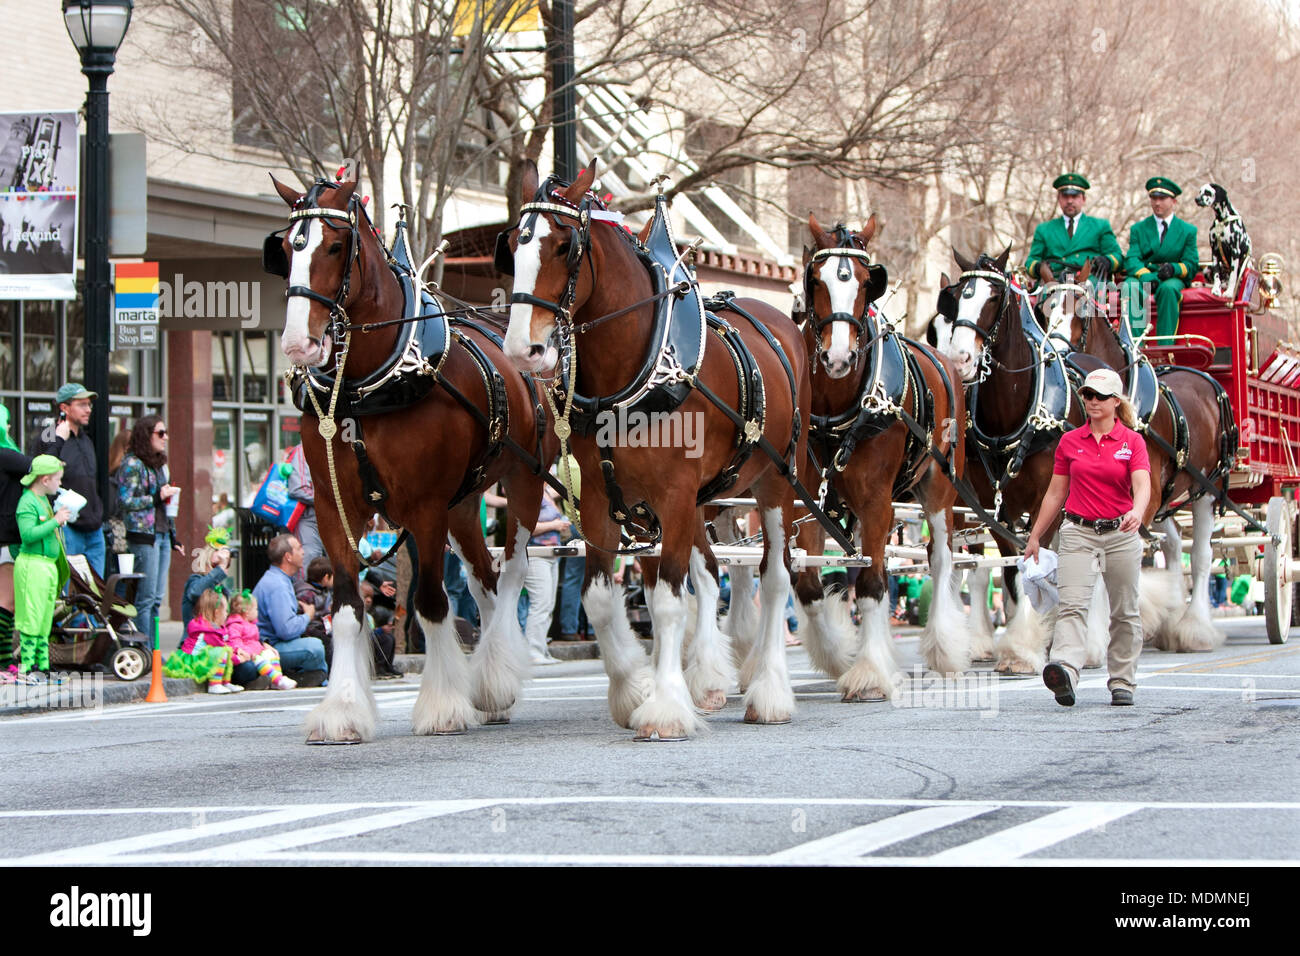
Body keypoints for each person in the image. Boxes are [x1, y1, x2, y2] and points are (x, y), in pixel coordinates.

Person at [1025, 367, 1152, 707]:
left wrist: (1137, 512)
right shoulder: (1070, 441)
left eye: (1100, 396)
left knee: (1124, 610)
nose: (1092, 401)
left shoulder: (1132, 442)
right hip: (1078, 532)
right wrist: (1035, 535)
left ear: (1115, 402)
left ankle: (1123, 680)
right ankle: (1065, 671)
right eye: (1087, 395)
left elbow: (1142, 485)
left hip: (1120, 534)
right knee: (1072, 606)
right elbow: (1055, 494)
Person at [116, 415, 183, 641]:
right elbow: (125, 501)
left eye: (165, 432)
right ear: (147, 435)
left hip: (162, 534)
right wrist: (156, 496)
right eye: (160, 433)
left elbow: (166, 506)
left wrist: (174, 537)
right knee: (145, 598)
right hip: (144, 537)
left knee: (156, 598)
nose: (166, 437)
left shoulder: (159, 465)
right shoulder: (132, 464)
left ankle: (153, 649)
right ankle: (144, 648)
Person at [31, 383, 106, 577]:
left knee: (96, 595)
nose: (88, 409)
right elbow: (40, 479)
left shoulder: (86, 439)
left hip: (94, 527)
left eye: (89, 404)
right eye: (82, 404)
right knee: (68, 594)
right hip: (67, 527)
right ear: (64, 408)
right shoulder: (49, 437)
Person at [12, 455, 71, 685]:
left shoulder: (42, 500)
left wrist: (56, 521)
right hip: (32, 564)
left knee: (45, 619)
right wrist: (55, 521)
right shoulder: (27, 502)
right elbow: (27, 535)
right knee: (32, 619)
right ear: (45, 480)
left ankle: (43, 667)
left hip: (46, 565)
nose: (60, 484)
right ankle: (27, 668)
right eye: (57, 480)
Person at [1123, 177, 1199, 338]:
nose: (1157, 203)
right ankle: (1136, 343)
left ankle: (1166, 344)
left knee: (1168, 290)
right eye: (1154, 198)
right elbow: (1132, 259)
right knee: (1130, 287)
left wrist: (1174, 268)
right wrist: (1146, 276)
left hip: (1171, 277)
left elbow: (1191, 264)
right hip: (1145, 276)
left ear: (1173, 202)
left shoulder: (1187, 231)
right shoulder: (1139, 229)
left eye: (1162, 199)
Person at [251, 533, 328, 685]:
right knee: (315, 647)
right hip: (270, 647)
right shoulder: (277, 585)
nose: (303, 552)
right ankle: (314, 678)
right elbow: (286, 630)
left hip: (272, 644)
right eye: (299, 549)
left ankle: (316, 677)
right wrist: (307, 616)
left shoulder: (279, 579)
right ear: (288, 557)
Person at [1025, 173, 1123, 285]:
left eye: (1074, 196)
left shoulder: (1100, 226)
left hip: (1090, 282)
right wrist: (1038, 267)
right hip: (1054, 281)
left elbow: (1117, 256)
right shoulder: (1044, 229)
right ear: (1059, 199)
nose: (1070, 201)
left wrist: (1107, 261)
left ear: (1083, 199)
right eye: (1065, 196)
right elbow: (1031, 261)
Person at [519, 487, 570, 665]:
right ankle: (532, 651)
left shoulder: (547, 493)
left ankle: (541, 648)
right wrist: (555, 525)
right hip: (535, 554)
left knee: (548, 604)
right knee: (540, 603)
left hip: (551, 555)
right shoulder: (530, 492)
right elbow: (527, 526)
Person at [0, 405, 32, 682]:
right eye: (7, 422)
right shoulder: (5, 455)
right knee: (6, 604)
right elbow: (38, 467)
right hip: (5, 538)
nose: (9, 428)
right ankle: (2, 662)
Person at [165, 588, 243, 694]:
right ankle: (215, 684)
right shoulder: (208, 631)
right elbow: (222, 647)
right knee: (221, 653)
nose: (227, 614)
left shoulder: (216, 627)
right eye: (226, 611)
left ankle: (225, 682)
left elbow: (227, 644)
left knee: (224, 652)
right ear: (216, 613)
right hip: (193, 661)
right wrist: (238, 658)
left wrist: (236, 650)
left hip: (200, 658)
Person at [224, 590, 297, 690]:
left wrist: (264, 647)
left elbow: (256, 640)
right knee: (259, 661)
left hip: (257, 652)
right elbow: (235, 642)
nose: (257, 612)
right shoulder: (235, 626)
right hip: (250, 656)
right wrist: (249, 653)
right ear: (247, 613)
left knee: (270, 655)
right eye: (256, 609)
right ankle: (278, 680)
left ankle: (276, 680)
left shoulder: (251, 625)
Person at [181, 528, 233, 628]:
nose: (221, 571)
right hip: (196, 641)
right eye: (215, 566)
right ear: (205, 561)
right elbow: (195, 592)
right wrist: (220, 568)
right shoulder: (194, 581)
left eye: (226, 565)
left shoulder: (224, 591)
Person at [285, 443, 323, 569]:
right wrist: (330, 501)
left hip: (331, 521)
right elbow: (298, 489)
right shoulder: (304, 450)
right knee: (309, 563)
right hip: (308, 519)